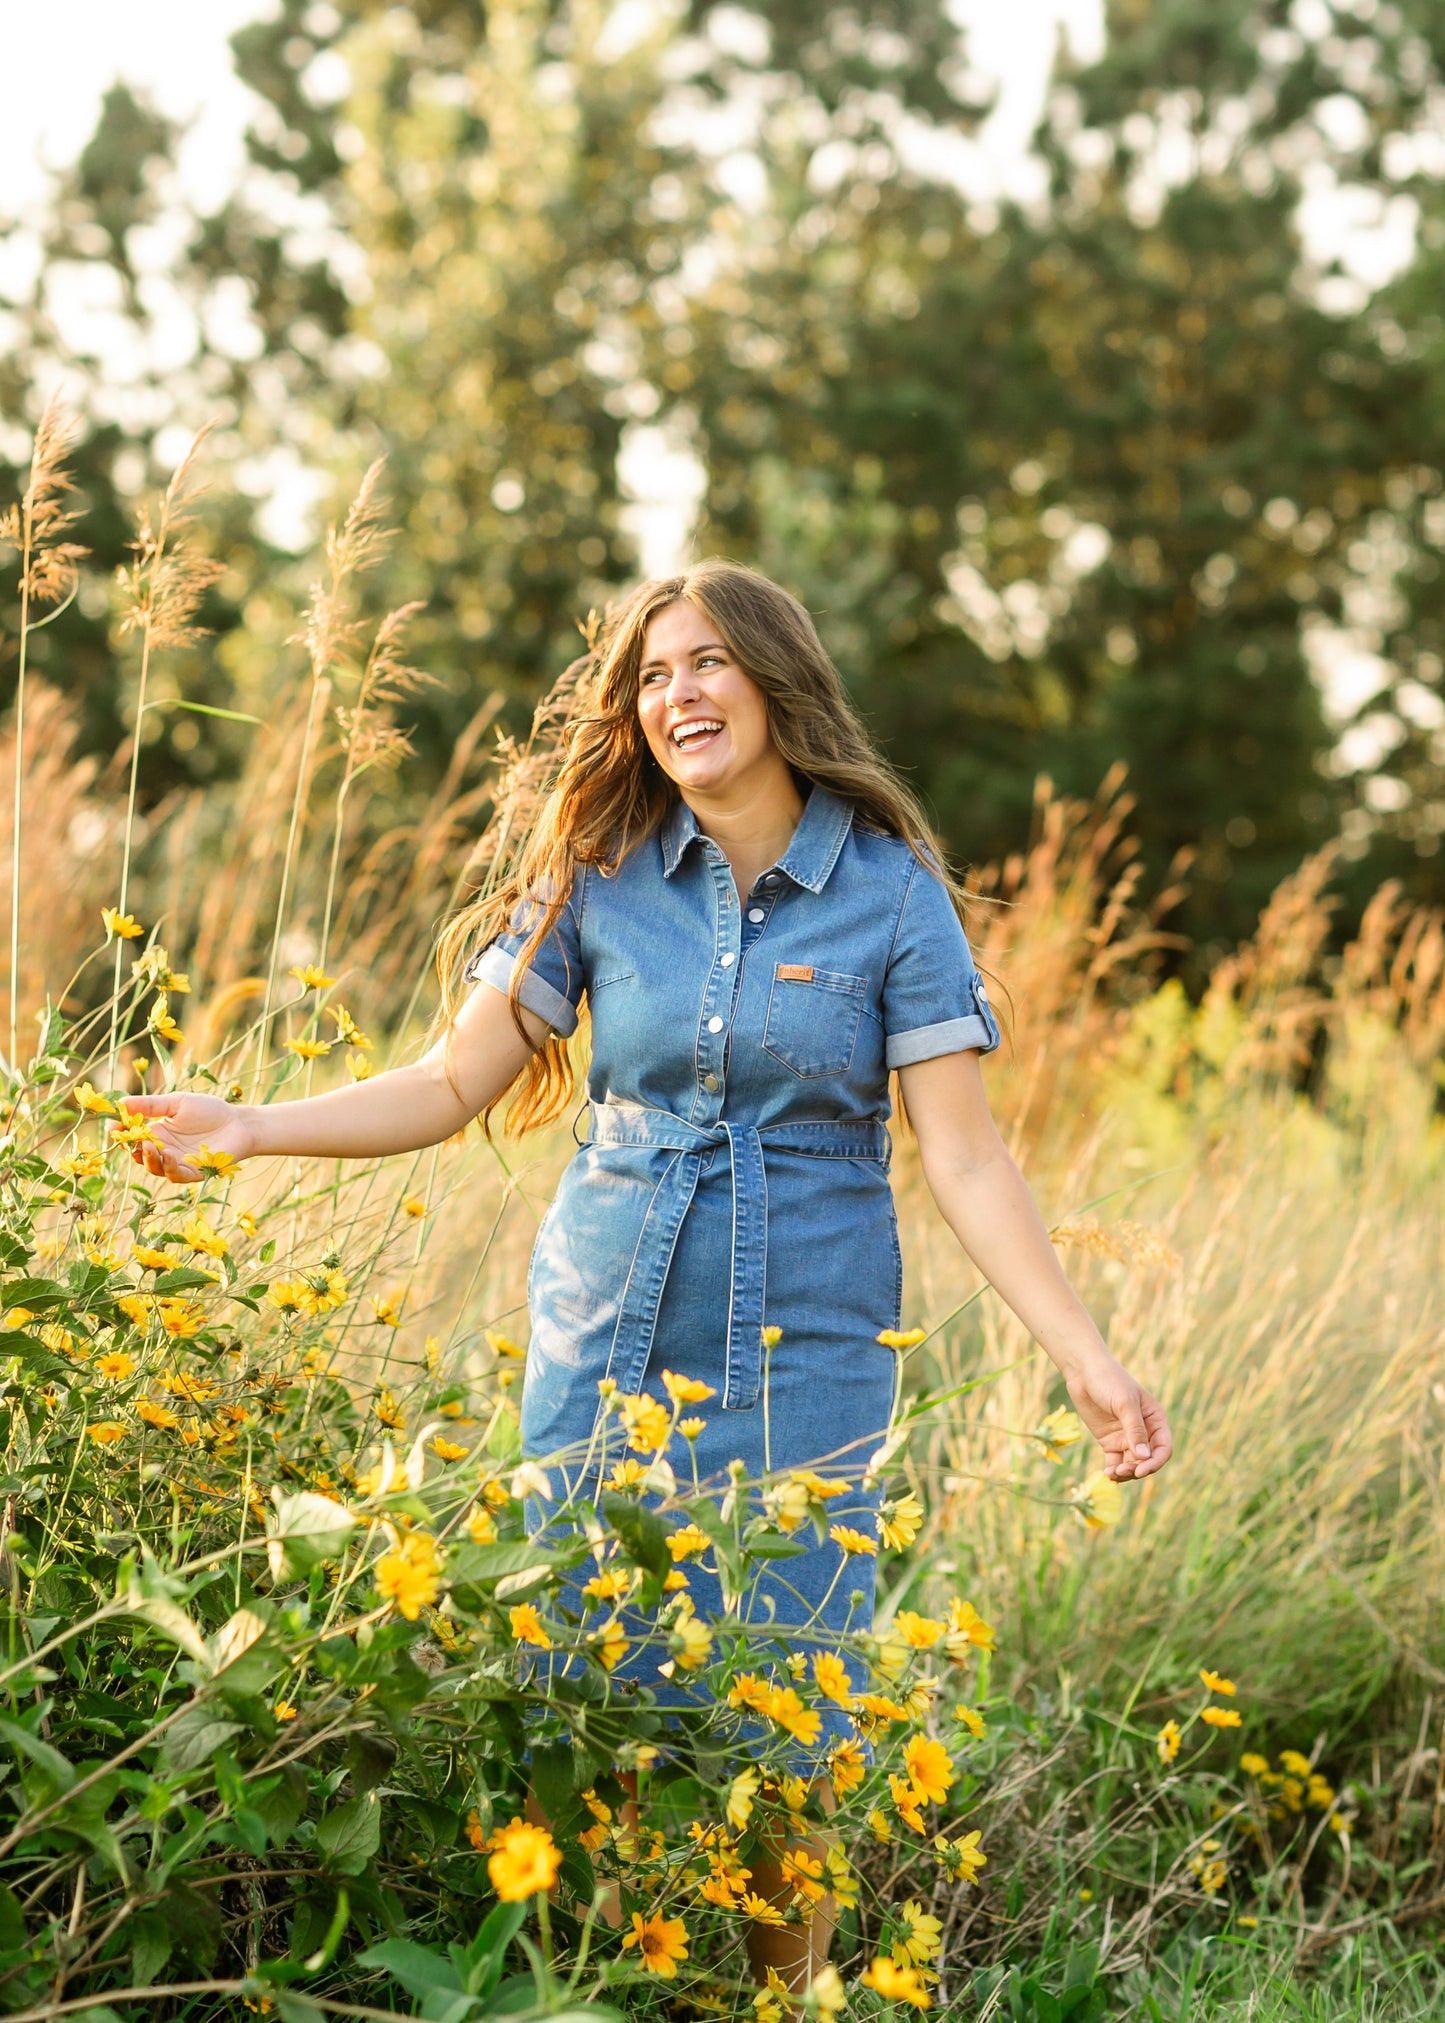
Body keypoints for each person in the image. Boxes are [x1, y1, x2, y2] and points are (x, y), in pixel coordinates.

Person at [123, 558, 1172, 1990]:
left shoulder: (890, 897)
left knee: (789, 1710)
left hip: (806, 1354)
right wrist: (252, 1129)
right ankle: (596, 1992)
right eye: (652, 674)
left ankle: (778, 2002)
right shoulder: (597, 877)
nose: (677, 694)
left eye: (706, 664)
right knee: (581, 1691)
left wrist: (1083, 1355)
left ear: (775, 680)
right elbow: (446, 1084)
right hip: (603, 1334)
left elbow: (968, 1163)